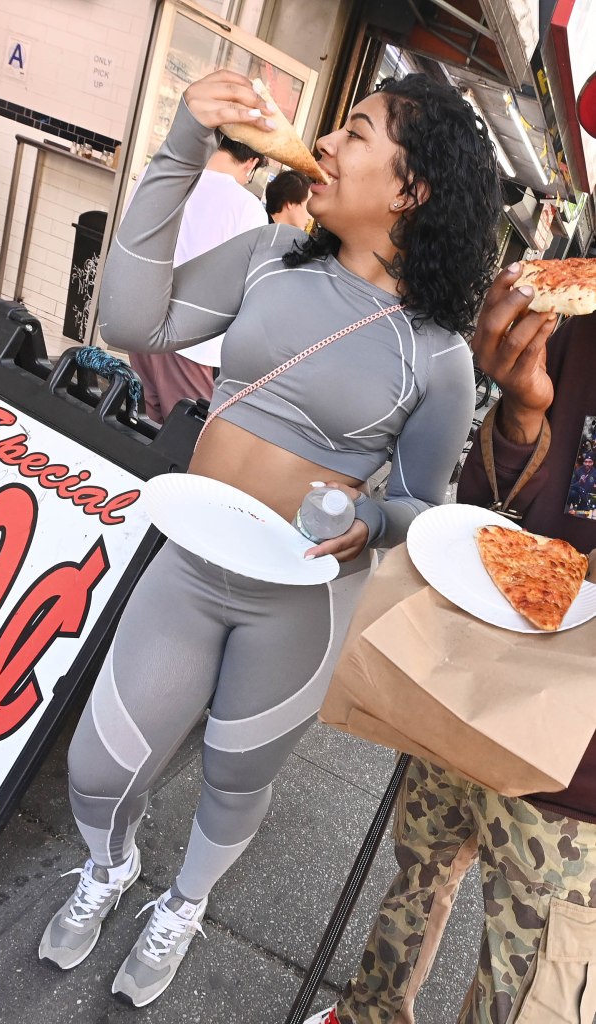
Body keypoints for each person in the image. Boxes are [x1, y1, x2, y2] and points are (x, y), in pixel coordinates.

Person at [39, 68, 501, 1008]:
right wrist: (177, 151)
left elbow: (421, 507)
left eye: (357, 133)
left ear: (410, 190)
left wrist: (372, 519)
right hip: (190, 558)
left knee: (233, 778)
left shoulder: (438, 357)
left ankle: (186, 901)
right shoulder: (268, 256)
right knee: (98, 767)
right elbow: (131, 319)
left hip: (297, 597)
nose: (322, 144)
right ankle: (109, 869)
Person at [308, 74, 596, 1024]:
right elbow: (490, 517)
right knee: (412, 880)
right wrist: (517, 413)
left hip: (577, 777)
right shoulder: (567, 321)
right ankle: (367, 1012)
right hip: (472, 671)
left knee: (527, 991)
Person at [127, 136, 268, 423]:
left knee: (139, 425)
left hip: (137, 324)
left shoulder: (157, 175)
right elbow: (247, 288)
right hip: (191, 345)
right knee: (183, 438)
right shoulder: (247, 207)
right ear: (251, 162)